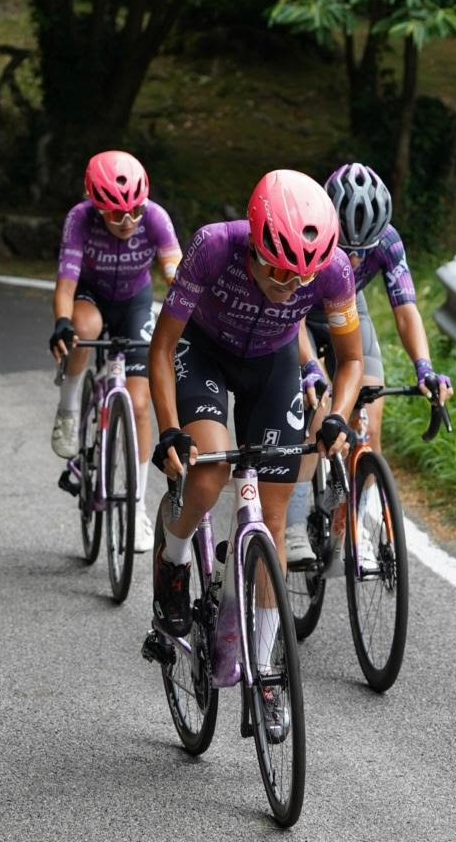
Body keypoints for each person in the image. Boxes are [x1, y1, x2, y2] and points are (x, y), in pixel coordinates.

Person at [147, 168, 364, 725]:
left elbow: (353, 360)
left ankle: (265, 670)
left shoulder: (333, 270)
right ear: (257, 239)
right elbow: (164, 344)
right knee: (209, 474)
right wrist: (169, 428)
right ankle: (173, 564)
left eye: (302, 277)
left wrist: (337, 414)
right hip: (206, 356)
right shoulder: (214, 247)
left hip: (273, 367)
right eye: (277, 271)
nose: (290, 286)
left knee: (269, 522)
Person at [284, 162, 453, 563]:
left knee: (368, 424)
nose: (356, 261)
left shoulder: (389, 242)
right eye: (347, 249)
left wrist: (424, 367)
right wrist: (310, 369)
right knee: (320, 408)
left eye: (365, 251)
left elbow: (405, 310)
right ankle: (292, 526)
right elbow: (292, 316)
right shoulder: (308, 231)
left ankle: (353, 521)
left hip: (348, 314)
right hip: (302, 309)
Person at [49, 150, 182, 553]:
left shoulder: (156, 218)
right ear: (96, 205)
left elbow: (174, 273)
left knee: (141, 405)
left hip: (135, 300)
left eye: (135, 211)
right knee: (84, 328)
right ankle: (70, 409)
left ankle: (137, 508)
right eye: (115, 215)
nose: (127, 223)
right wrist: (62, 322)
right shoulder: (80, 218)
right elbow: (67, 285)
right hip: (92, 296)